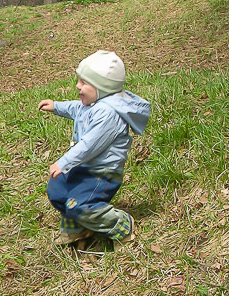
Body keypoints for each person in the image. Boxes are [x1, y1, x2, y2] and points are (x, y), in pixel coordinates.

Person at [37, 50, 150, 249]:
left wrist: (63, 162)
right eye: (79, 80)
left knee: (80, 203)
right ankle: (78, 227)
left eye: (84, 83)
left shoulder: (108, 114)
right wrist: (56, 106)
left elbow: (89, 145)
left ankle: (122, 225)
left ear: (102, 87)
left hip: (101, 172)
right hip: (83, 167)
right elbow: (75, 108)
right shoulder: (92, 103)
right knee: (57, 191)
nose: (78, 86)